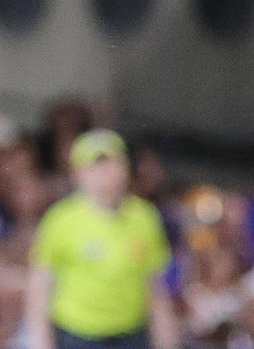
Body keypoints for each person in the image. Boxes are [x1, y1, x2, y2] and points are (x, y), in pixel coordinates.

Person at [24, 129, 179, 349]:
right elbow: (40, 287)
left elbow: (155, 286)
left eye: (113, 162)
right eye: (96, 164)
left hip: (131, 334)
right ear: (78, 173)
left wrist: (167, 340)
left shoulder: (145, 217)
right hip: (77, 335)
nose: (107, 171)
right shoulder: (60, 220)